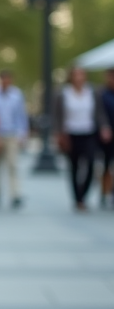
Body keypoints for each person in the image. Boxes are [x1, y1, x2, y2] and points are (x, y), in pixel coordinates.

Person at [54, 66, 112, 212]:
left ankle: (83, 194)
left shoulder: (92, 92)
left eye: (81, 75)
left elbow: (99, 112)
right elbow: (58, 115)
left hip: (89, 132)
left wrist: (104, 127)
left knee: (91, 164)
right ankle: (77, 198)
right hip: (71, 134)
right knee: (74, 167)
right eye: (76, 75)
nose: (79, 78)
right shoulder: (63, 93)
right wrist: (59, 133)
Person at [0, 69, 29, 209]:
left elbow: (21, 116)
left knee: (13, 165)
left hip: (12, 134)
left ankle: (15, 194)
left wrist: (22, 134)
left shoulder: (17, 95)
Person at [101, 68, 114, 209]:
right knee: (106, 164)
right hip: (106, 135)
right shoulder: (102, 94)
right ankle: (104, 192)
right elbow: (100, 113)